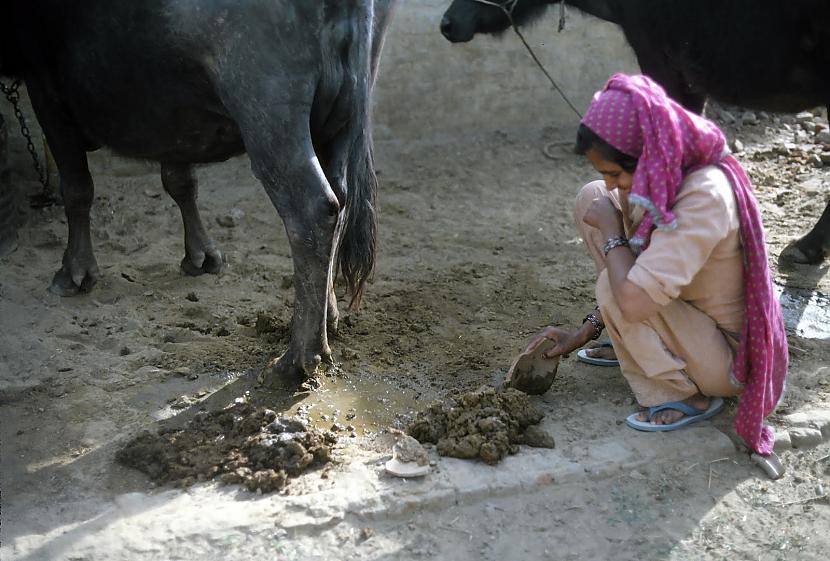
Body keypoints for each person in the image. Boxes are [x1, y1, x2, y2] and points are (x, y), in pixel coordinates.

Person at [527, 74, 788, 455]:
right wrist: (589, 329)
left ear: (648, 156)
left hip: (728, 359)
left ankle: (683, 393)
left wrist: (615, 230)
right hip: (685, 314)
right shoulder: (666, 172)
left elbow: (632, 297)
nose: (615, 184)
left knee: (617, 287)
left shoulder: (703, 197)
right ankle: (639, 342)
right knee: (593, 198)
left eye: (617, 173)